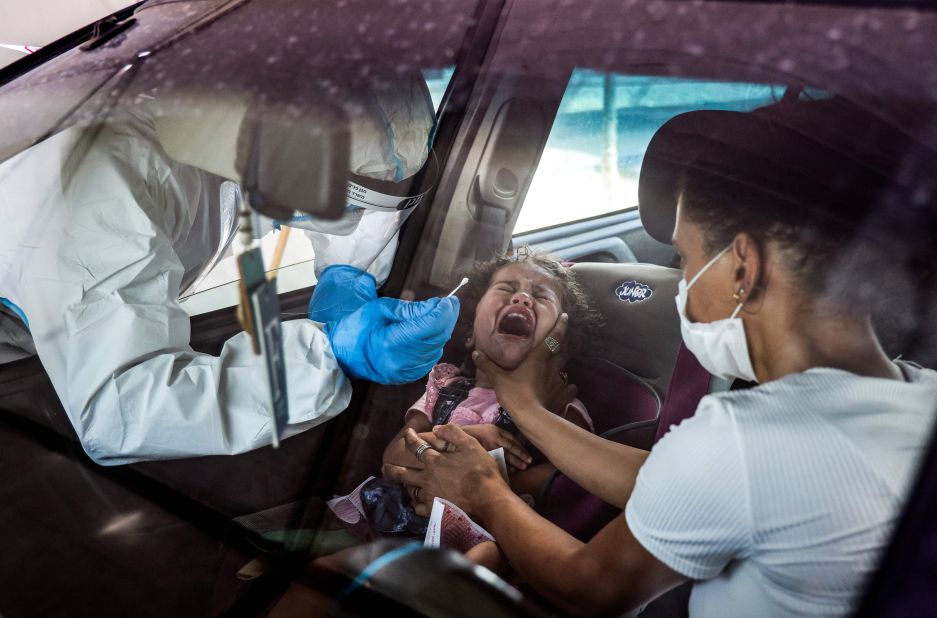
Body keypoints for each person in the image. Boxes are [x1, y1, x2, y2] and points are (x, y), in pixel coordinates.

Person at [385, 96, 937, 616]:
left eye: (684, 256)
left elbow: (589, 589)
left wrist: (481, 490)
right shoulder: (919, 392)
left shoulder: (742, 440)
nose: (683, 284)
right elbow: (668, 478)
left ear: (743, 267)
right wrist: (525, 406)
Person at [0, 77, 458, 465]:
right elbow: (122, 410)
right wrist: (325, 355)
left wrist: (349, 271)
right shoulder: (106, 186)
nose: (356, 219)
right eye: (347, 204)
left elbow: (365, 179)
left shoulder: (230, 137)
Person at [325, 251, 601, 569]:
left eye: (540, 296)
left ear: (559, 341)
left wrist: (481, 479)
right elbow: (393, 456)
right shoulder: (445, 384)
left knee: (485, 560)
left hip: (480, 531)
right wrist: (468, 439)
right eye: (506, 289)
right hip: (395, 513)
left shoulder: (557, 404)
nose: (523, 297)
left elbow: (569, 478)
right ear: (471, 330)